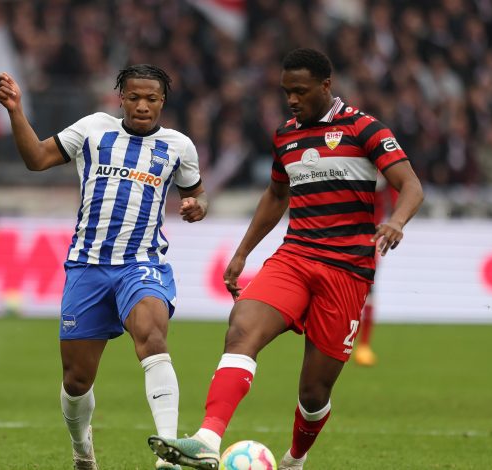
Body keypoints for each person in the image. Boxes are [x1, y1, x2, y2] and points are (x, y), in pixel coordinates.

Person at [148, 48, 423, 470]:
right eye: (286, 92)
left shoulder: (363, 128)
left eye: (300, 91)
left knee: (314, 394)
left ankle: (295, 460)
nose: (292, 99)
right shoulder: (286, 135)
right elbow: (276, 196)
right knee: (242, 329)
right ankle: (207, 438)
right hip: (294, 256)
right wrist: (241, 254)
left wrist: (397, 222)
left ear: (325, 86)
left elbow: (411, 186)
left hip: (346, 272)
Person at [0, 64, 208, 470]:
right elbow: (37, 158)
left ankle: (170, 455)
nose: (142, 106)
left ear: (163, 102)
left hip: (141, 263)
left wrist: (198, 206)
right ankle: (82, 451)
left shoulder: (179, 146)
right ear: (120, 98)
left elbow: (196, 194)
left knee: (152, 339)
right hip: (88, 267)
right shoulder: (94, 129)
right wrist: (15, 110)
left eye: (151, 99)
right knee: (76, 381)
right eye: (134, 97)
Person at [353, 174, 398, 367]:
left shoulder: (385, 167)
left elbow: (398, 196)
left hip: (370, 240)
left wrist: (396, 220)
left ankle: (364, 345)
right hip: (343, 234)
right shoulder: (352, 164)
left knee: (368, 291)